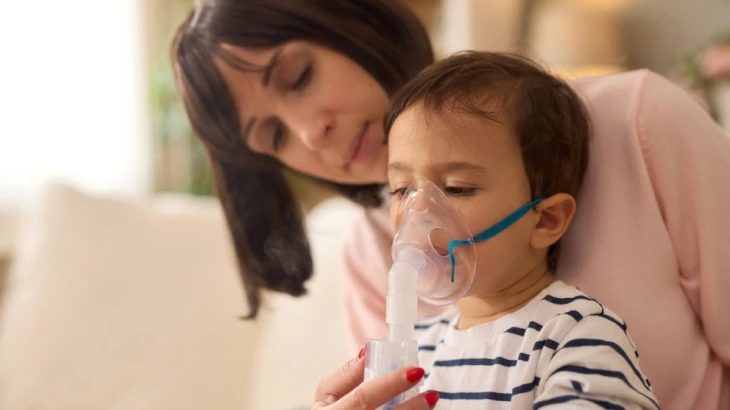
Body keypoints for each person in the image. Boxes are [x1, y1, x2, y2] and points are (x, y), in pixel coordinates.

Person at [171, 1, 730, 409]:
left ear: (355, 19)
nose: (310, 134)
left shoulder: (638, 122)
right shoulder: (372, 257)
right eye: (273, 136)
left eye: (299, 77)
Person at [383, 50, 657, 409]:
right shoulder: (417, 349)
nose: (418, 209)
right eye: (402, 189)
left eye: (457, 187)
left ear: (546, 219)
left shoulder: (574, 336)